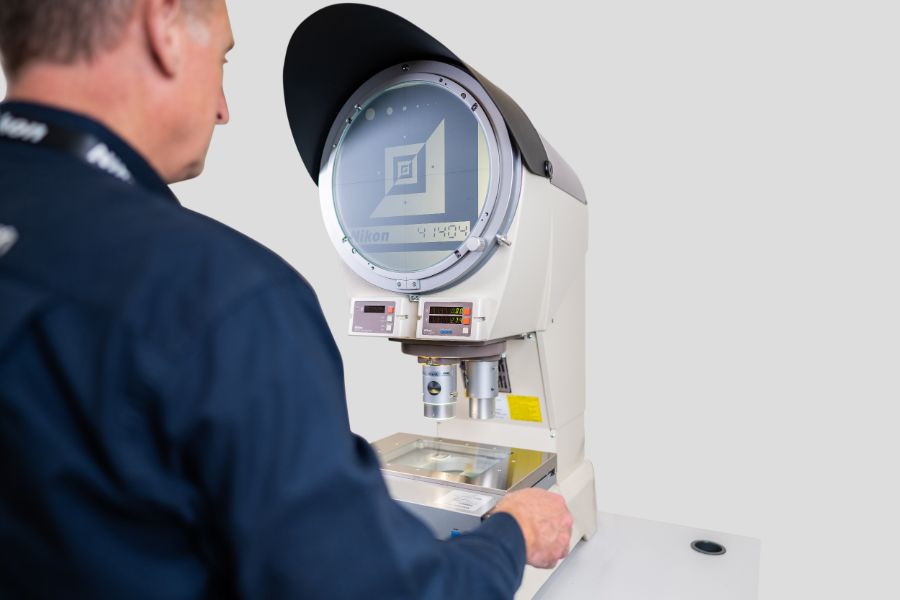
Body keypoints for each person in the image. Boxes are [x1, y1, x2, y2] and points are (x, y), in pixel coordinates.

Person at [0, 1, 574, 598]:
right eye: (221, 60)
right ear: (163, 26)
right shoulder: (222, 295)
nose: (223, 109)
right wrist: (511, 535)